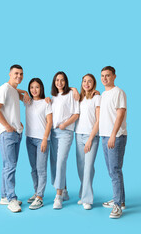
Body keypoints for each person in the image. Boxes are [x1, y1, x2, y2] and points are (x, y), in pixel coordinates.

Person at [0, 64, 24, 213]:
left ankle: (4, 196)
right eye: (16, 73)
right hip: (7, 134)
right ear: (10, 74)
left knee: (8, 166)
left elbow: (17, 93)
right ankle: (12, 199)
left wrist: (17, 123)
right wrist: (8, 126)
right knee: (10, 166)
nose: (19, 76)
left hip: (16, 132)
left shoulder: (13, 90)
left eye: (21, 74)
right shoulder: (4, 89)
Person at [18, 78, 52, 210]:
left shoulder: (46, 102)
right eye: (31, 87)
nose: (34, 90)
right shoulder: (27, 101)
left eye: (37, 87)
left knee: (41, 168)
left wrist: (44, 139)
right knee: (33, 168)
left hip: (42, 139)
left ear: (41, 88)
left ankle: (40, 197)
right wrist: (24, 92)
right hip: (29, 139)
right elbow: (13, 90)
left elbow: (49, 122)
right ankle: (36, 191)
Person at [99, 66, 127, 219]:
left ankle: (117, 205)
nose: (104, 78)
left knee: (115, 170)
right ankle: (120, 201)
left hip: (115, 137)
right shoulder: (103, 94)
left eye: (107, 75)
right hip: (104, 136)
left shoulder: (119, 92)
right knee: (113, 171)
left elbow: (120, 114)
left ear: (114, 76)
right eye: (102, 76)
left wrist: (113, 135)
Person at [50, 71, 79, 209]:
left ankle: (58, 196)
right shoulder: (53, 97)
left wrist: (65, 124)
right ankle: (65, 191)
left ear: (66, 81)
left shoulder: (71, 94)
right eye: (57, 80)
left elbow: (76, 114)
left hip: (65, 132)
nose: (59, 82)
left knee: (61, 161)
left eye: (62, 80)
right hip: (53, 132)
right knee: (56, 163)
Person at [75, 74, 101, 210]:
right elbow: (70, 90)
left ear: (94, 84)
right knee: (81, 167)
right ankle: (83, 193)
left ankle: (87, 199)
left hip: (91, 136)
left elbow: (98, 120)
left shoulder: (97, 97)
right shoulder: (79, 98)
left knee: (88, 167)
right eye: (84, 81)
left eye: (89, 81)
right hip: (78, 135)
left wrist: (91, 138)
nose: (86, 83)